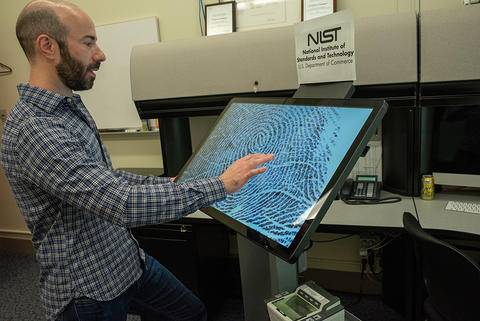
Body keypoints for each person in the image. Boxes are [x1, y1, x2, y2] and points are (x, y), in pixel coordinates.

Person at [0, 1, 275, 320]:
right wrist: (221, 184)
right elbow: (121, 203)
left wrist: (175, 183)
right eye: (88, 43)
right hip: (87, 291)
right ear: (47, 46)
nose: (100, 54)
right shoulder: (35, 129)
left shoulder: (69, 107)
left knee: (191, 313)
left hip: (126, 261)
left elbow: (106, 179)